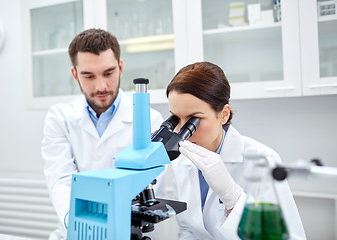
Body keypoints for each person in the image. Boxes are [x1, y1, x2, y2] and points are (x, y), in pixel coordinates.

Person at [41, 28, 163, 240]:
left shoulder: (150, 120)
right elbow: (60, 179)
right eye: (88, 76)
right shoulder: (59, 118)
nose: (101, 86)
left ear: (120, 67)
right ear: (75, 75)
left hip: (126, 231)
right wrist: (80, 224)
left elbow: (147, 185)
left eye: (108, 73)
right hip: (74, 231)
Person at [166, 62, 306, 239]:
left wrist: (232, 197)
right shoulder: (181, 161)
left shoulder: (262, 160)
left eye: (194, 119)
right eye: (175, 118)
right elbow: (188, 229)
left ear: (223, 114)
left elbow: (288, 237)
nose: (182, 132)